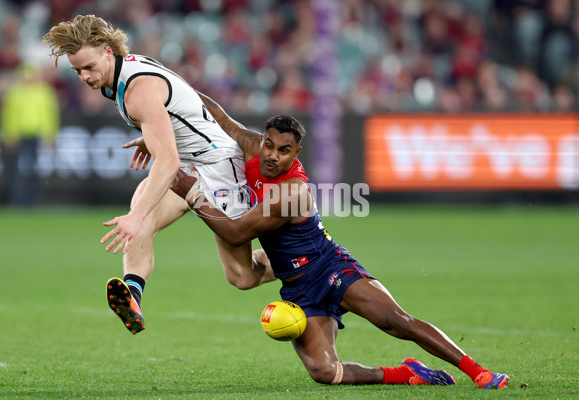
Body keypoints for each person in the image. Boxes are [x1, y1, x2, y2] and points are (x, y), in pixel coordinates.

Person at [164, 95, 510, 388]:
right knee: (324, 372)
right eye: (269, 145)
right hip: (298, 288)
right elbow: (219, 118)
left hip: (329, 268)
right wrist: (172, 90)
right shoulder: (254, 149)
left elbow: (237, 232)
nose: (272, 155)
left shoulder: (292, 191)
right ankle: (406, 373)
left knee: (395, 321)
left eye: (283, 151)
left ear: (296, 153)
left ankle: (479, 373)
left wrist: (191, 192)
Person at [43, 15, 275, 335]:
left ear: (108, 52)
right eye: (77, 71)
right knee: (138, 223)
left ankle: (300, 258)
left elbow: (167, 163)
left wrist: (138, 212)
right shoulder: (125, 71)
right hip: (188, 163)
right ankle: (133, 297)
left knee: (242, 277)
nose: (84, 76)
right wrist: (153, 135)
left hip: (220, 166)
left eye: (89, 67)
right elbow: (183, 101)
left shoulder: (136, 89)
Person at [0, 62, 60, 206]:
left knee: (35, 170)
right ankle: (19, 200)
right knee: (20, 172)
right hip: (20, 137)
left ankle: (33, 200)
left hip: (37, 137)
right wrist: (10, 136)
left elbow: (50, 116)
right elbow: (8, 116)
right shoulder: (16, 92)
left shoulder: (43, 91)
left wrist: (50, 135)